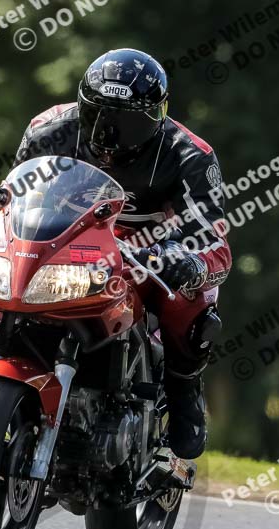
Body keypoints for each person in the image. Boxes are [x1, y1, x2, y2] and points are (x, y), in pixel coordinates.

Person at [12, 48, 232, 460]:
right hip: (70, 248)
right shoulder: (48, 130)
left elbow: (215, 237)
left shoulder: (190, 155)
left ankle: (184, 392)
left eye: (127, 121)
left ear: (157, 117)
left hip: (150, 256)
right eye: (100, 115)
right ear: (82, 106)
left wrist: (192, 262)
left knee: (186, 301)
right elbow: (9, 203)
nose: (110, 134)